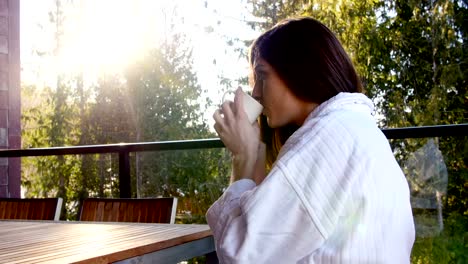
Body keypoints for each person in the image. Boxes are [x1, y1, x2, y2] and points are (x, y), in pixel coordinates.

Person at [208, 17, 415, 263]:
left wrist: (242, 154)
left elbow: (241, 253)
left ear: (299, 69)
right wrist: (255, 150)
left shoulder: (326, 138)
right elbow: (264, 221)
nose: (255, 92)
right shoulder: (350, 129)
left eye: (262, 75)